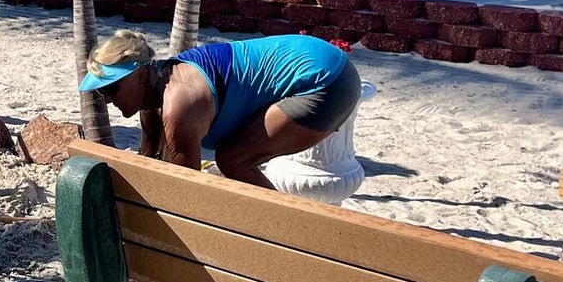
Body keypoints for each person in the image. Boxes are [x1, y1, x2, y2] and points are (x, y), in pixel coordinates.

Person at [79, 30, 358, 189]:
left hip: (326, 79)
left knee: (234, 160)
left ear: (139, 74)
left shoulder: (179, 104)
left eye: (111, 88)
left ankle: (284, 235)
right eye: (100, 91)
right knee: (233, 159)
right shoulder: (152, 103)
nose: (105, 99)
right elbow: (148, 163)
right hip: (312, 58)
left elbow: (184, 187)